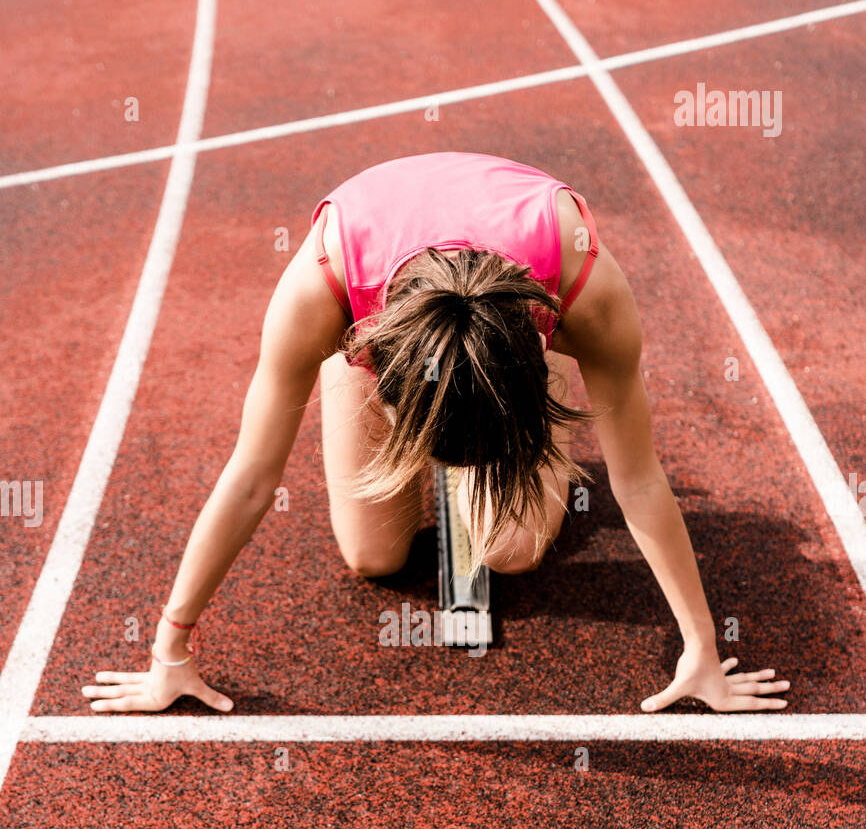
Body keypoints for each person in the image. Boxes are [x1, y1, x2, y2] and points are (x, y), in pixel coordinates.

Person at [82, 150, 789, 714]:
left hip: (513, 341)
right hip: (372, 323)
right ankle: (420, 392)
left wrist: (699, 644)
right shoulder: (320, 292)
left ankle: (527, 391)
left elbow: (637, 476)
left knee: (513, 551)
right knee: (372, 558)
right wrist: (168, 650)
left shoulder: (587, 292)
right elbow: (250, 479)